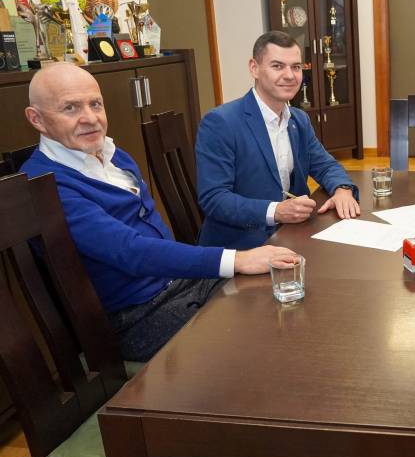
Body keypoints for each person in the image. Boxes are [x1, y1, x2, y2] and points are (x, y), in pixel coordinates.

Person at [20, 63, 300, 362]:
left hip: (179, 284)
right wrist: (239, 258)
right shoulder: (44, 186)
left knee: (280, 295)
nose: (90, 118)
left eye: (95, 104)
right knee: (258, 336)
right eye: (71, 108)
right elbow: (130, 251)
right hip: (137, 316)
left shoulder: (113, 155)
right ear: (37, 119)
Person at [195, 31, 360, 250]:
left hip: (292, 236)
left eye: (296, 67)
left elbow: (325, 165)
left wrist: (342, 189)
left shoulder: (298, 119)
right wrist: (276, 211)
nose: (290, 75)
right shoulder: (221, 122)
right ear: (254, 68)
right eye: (277, 66)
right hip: (241, 247)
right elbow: (214, 199)